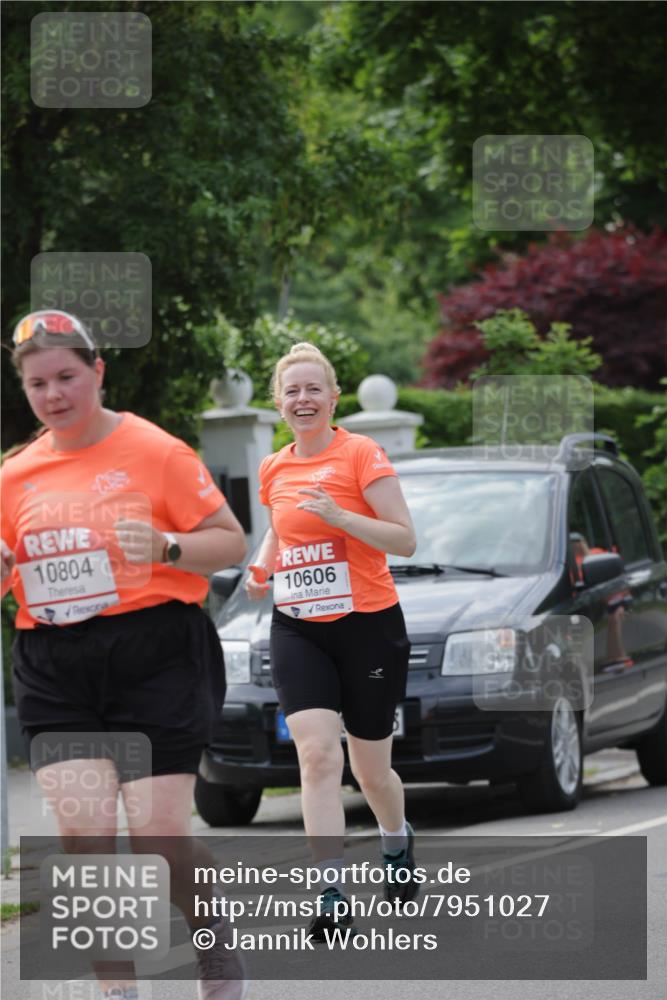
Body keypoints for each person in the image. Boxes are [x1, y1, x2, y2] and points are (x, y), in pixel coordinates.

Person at [1, 310, 248, 1000]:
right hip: (54, 659)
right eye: (37, 383)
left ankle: (213, 943)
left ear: (98, 373)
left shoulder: (154, 450)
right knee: (85, 839)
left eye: (66, 377)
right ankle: (117, 990)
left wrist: (169, 547)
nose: (53, 395)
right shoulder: (12, 476)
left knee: (157, 837)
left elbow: (230, 542)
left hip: (156, 653)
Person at [245, 342, 418, 937]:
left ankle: (395, 842)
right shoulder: (274, 467)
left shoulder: (361, 454)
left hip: (367, 625)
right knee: (317, 753)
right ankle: (331, 891)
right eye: (292, 390)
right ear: (278, 403)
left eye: (313, 388)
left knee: (372, 771)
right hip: (298, 625)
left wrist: (342, 518)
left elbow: (404, 539)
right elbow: (278, 533)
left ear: (333, 397)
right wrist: (261, 566)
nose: (303, 399)